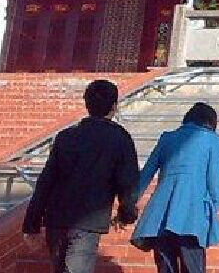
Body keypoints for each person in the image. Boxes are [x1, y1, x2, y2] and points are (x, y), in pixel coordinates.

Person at [22, 79, 139, 273]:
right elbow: (127, 183)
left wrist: (31, 224)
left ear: (86, 104)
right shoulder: (119, 138)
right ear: (114, 107)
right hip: (89, 221)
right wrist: (126, 214)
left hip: (56, 218)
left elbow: (46, 182)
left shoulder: (65, 137)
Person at [130, 102, 219, 273]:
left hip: (160, 217)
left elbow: (145, 175)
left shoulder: (167, 138)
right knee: (193, 267)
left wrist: (128, 203)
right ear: (211, 123)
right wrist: (214, 208)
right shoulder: (212, 140)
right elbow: (215, 183)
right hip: (192, 215)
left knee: (166, 268)